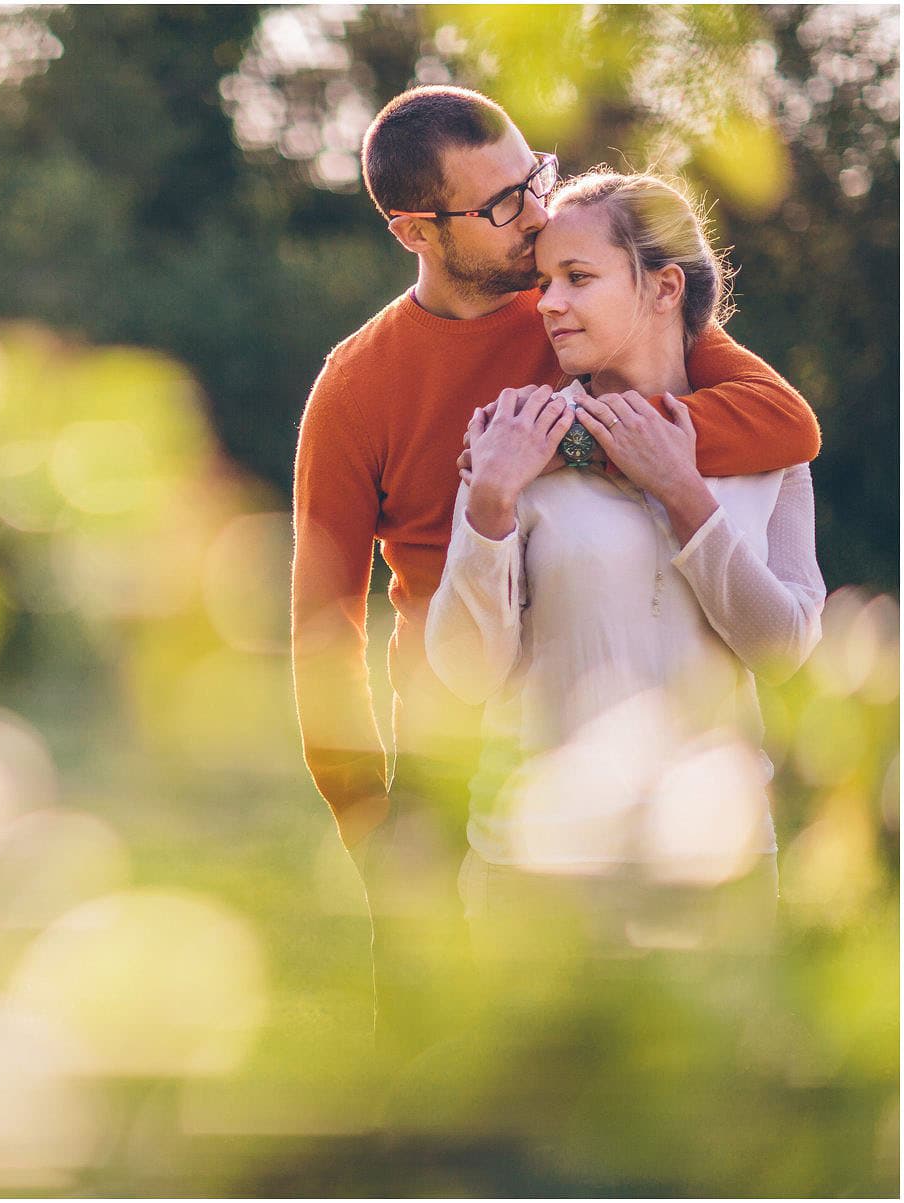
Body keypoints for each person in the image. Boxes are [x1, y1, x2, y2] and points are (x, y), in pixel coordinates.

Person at [289, 85, 820, 1060]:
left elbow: (785, 425)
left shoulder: (583, 307)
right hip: (454, 762)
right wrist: (375, 833)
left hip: (621, 749)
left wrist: (580, 437)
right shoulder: (357, 386)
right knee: (441, 1096)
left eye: (536, 179)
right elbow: (321, 639)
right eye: (499, 206)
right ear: (415, 228)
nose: (535, 214)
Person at [424, 169, 825, 956]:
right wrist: (490, 509)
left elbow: (784, 652)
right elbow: (465, 674)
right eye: (544, 282)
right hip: (535, 873)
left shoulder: (769, 456)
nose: (547, 303)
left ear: (663, 286)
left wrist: (683, 491)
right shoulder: (519, 437)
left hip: (716, 870)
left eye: (577, 278)